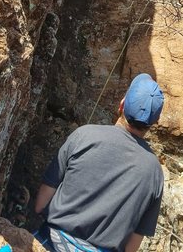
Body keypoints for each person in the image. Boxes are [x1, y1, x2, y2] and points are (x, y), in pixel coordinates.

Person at [34, 74, 165, 252]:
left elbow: (41, 204)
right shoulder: (155, 172)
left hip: (49, 243)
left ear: (121, 104)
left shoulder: (84, 135)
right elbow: (131, 247)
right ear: (155, 121)